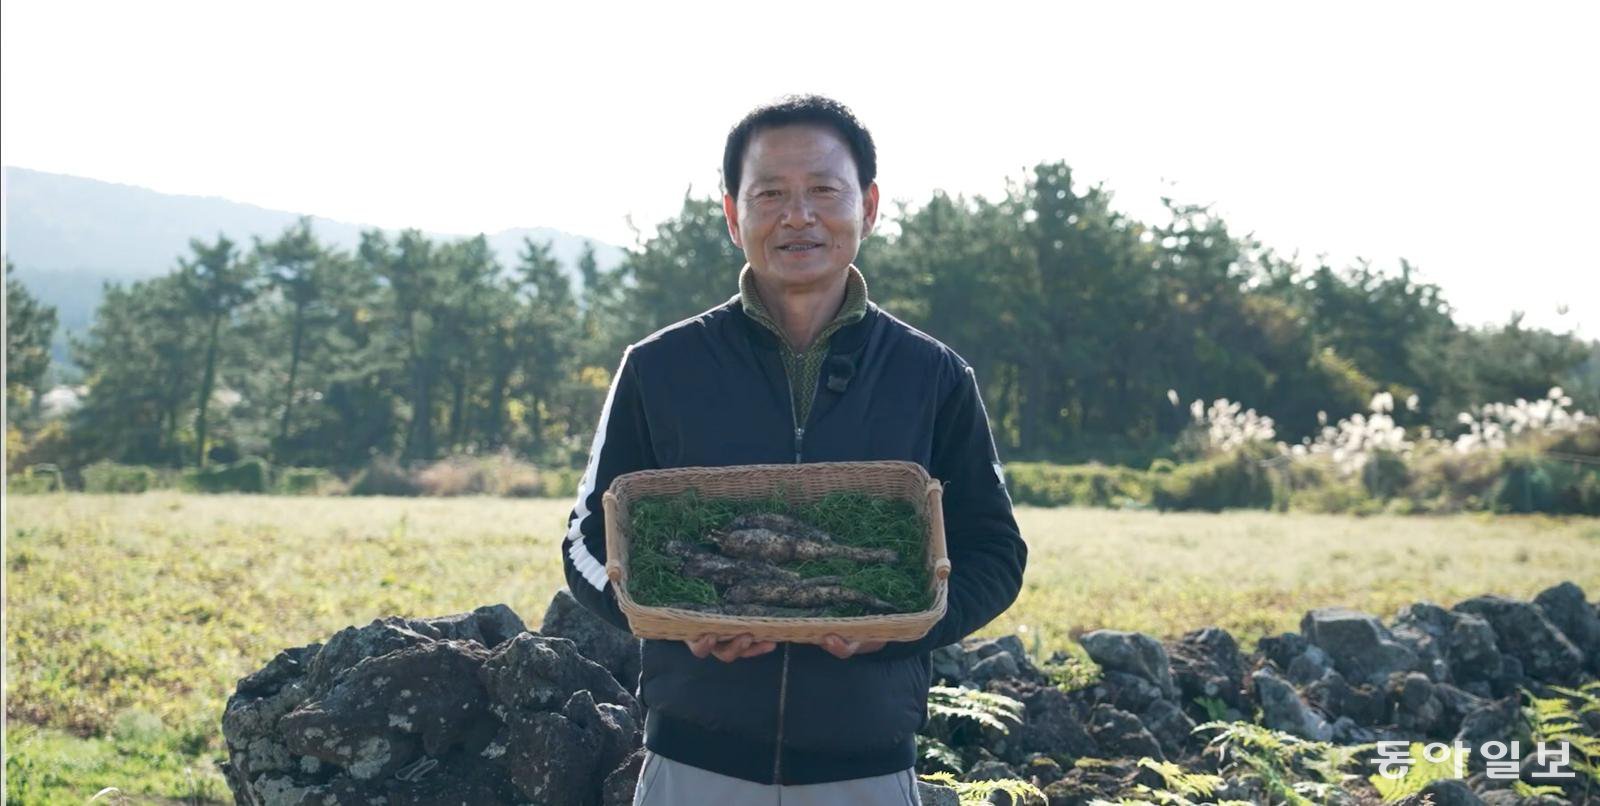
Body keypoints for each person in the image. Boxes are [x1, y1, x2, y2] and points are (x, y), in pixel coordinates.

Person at [561, 94, 1027, 806]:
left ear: (867, 206)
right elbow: (585, 541)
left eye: (823, 191)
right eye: (770, 193)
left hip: (865, 768)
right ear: (732, 214)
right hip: (694, 764)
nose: (798, 215)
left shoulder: (932, 377)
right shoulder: (660, 368)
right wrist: (669, 621)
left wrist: (898, 632)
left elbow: (994, 553)